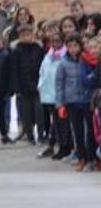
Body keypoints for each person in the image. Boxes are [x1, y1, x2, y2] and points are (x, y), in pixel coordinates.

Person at [55, 33, 97, 171]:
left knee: (90, 130)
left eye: (75, 45)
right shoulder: (63, 62)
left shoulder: (87, 60)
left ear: (80, 46)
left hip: (87, 100)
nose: (73, 49)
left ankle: (92, 158)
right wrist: (60, 103)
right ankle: (81, 158)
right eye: (69, 46)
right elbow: (59, 83)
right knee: (77, 131)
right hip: (71, 100)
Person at [37, 31, 71, 159]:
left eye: (58, 41)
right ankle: (58, 145)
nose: (55, 44)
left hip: (60, 96)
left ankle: (65, 147)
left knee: (63, 123)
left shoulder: (65, 56)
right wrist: (40, 86)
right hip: (49, 95)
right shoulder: (49, 55)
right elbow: (43, 72)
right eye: (53, 41)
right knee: (55, 122)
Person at [10, 24, 45, 144]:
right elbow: (13, 70)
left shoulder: (38, 49)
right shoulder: (16, 50)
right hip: (23, 87)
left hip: (37, 87)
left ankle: (41, 135)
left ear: (33, 35)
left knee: (39, 112)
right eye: (23, 35)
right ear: (19, 37)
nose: (26, 37)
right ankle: (30, 136)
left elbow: (43, 67)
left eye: (28, 35)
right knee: (26, 114)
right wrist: (16, 87)